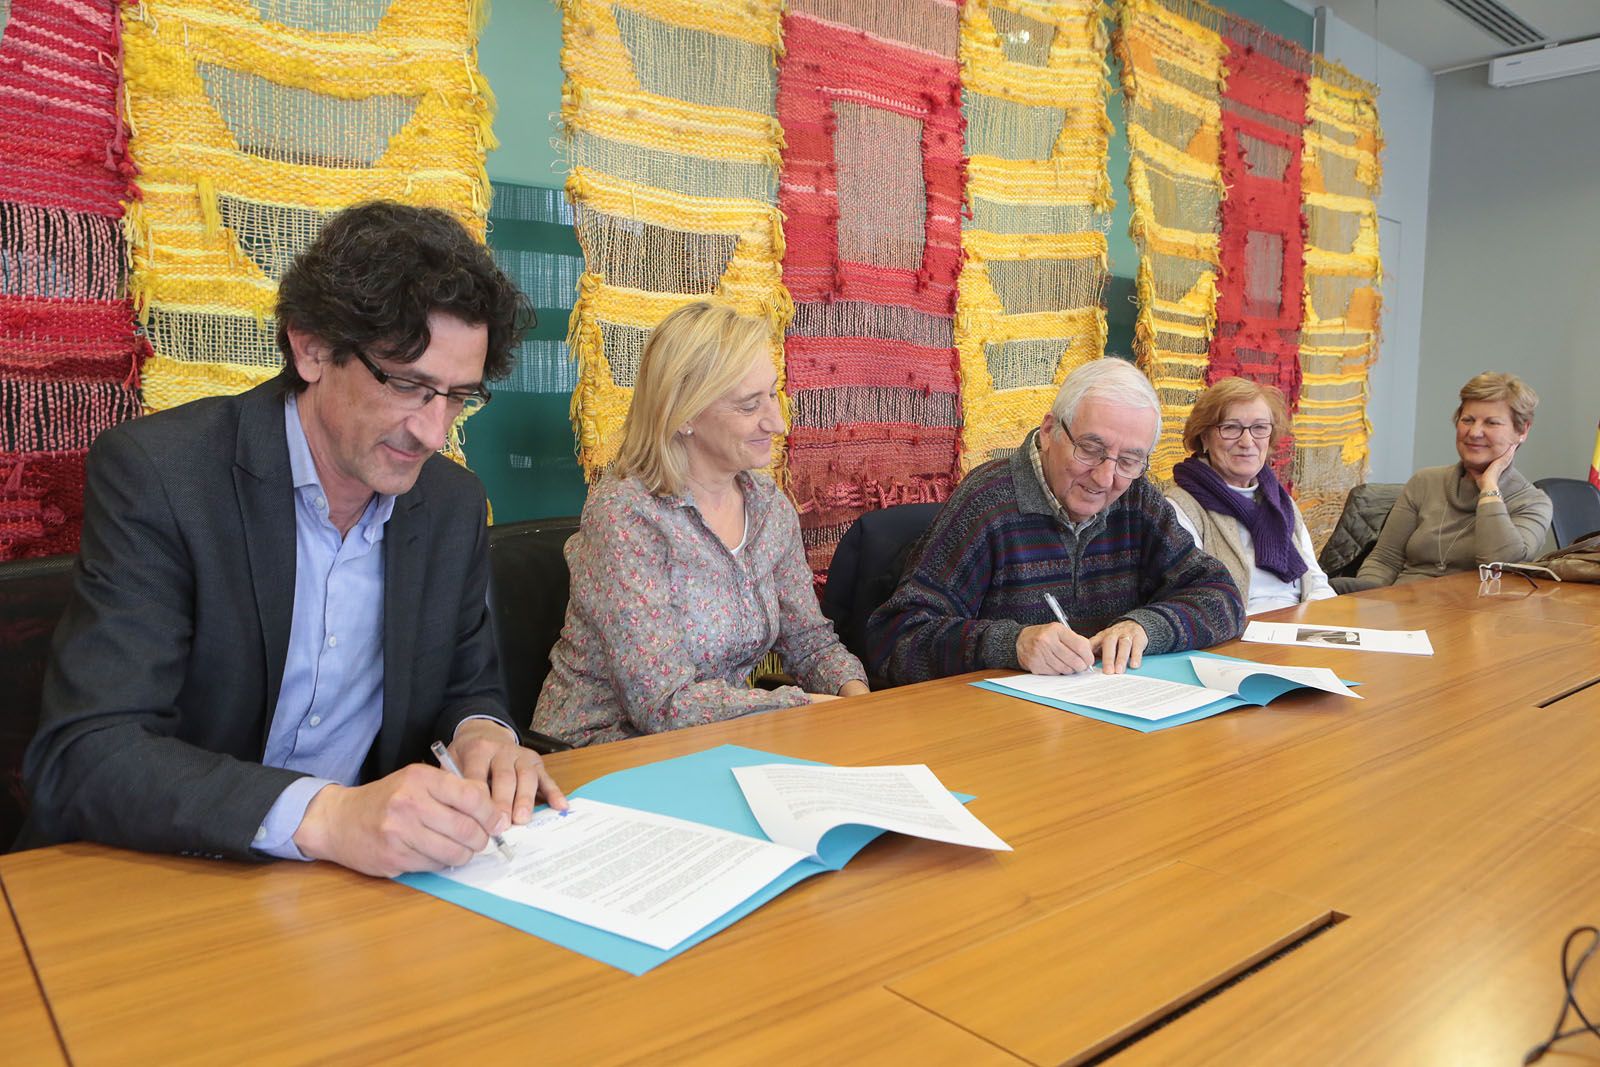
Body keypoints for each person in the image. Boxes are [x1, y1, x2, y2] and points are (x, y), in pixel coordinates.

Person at [22, 201, 566, 876]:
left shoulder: (451, 505)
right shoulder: (163, 477)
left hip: (359, 895)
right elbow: (88, 750)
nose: (433, 432)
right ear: (310, 345)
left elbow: (468, 686)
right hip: (171, 875)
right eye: (408, 385)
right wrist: (329, 816)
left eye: (458, 396)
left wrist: (483, 733)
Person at [533, 300, 868, 747]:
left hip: (717, 742)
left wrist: (857, 701)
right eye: (750, 405)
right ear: (684, 414)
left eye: (773, 393)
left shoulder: (770, 508)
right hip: (602, 751)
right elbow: (662, 704)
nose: (777, 420)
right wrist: (803, 707)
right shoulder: (626, 514)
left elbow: (810, 641)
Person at [865, 358, 1244, 686]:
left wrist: (1147, 628)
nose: (1104, 478)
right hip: (1000, 736)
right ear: (1049, 431)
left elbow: (1223, 596)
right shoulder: (989, 503)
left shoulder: (1137, 500)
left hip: (1109, 719)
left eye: (1129, 461)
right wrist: (1013, 644)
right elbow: (895, 638)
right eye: (1091, 450)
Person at [1334, 372, 1551, 591]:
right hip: (1399, 605)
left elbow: (1499, 566)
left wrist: (1489, 488)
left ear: (1522, 431)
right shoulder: (1425, 481)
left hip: (1469, 616)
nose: (1474, 432)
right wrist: (1367, 604)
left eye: (1492, 423)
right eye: (1468, 420)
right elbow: (1384, 559)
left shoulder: (1532, 502)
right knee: (1330, 590)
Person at [1164, 377, 1334, 614]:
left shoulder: (1281, 502)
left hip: (1298, 629)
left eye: (1260, 428)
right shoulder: (1180, 507)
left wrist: (1324, 622)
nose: (1247, 441)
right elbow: (1192, 598)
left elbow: (1315, 581)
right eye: (1231, 427)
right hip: (1234, 635)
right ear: (1204, 437)